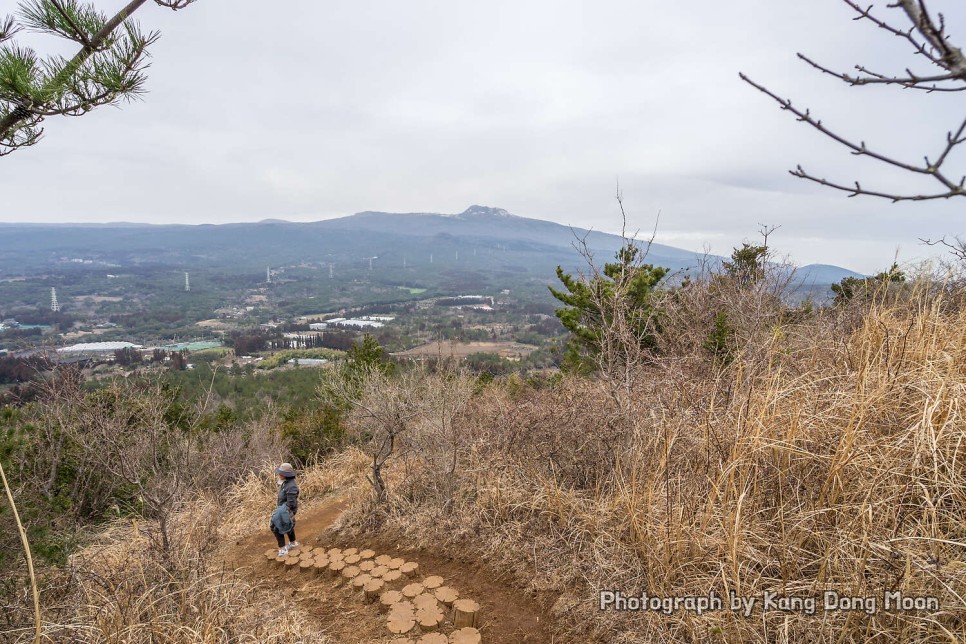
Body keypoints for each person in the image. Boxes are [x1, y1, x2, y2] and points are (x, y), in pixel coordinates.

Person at [270, 462, 300, 556]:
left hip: (288, 509)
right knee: (287, 523)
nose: (279, 474)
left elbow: (290, 504)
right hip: (284, 508)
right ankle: (293, 543)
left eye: (280, 473)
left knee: (276, 526)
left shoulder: (291, 486)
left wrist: (280, 513)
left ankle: (282, 549)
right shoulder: (285, 483)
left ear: (285, 475)